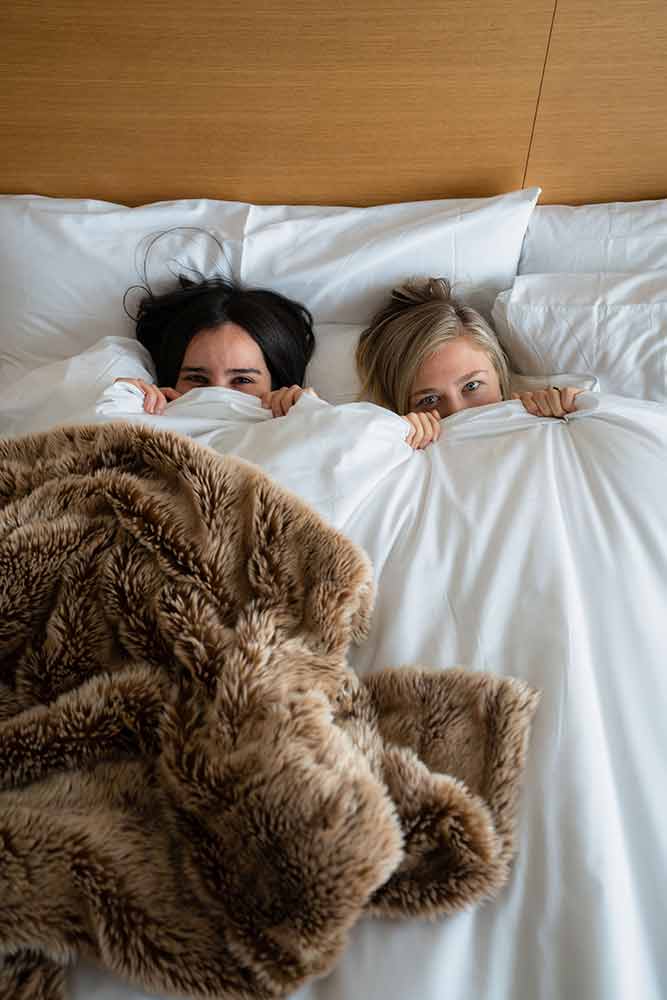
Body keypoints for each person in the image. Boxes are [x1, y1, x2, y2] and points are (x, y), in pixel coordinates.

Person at [356, 278, 583, 449]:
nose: (457, 412)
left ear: (499, 374)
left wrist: (577, 412)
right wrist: (393, 441)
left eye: (472, 386)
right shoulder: (403, 450)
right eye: (429, 400)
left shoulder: (548, 419)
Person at [117, 275, 317, 417]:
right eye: (196, 378)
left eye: (242, 380)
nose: (217, 393)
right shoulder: (139, 420)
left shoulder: (301, 424)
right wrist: (121, 404)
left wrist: (312, 415)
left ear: (277, 384)